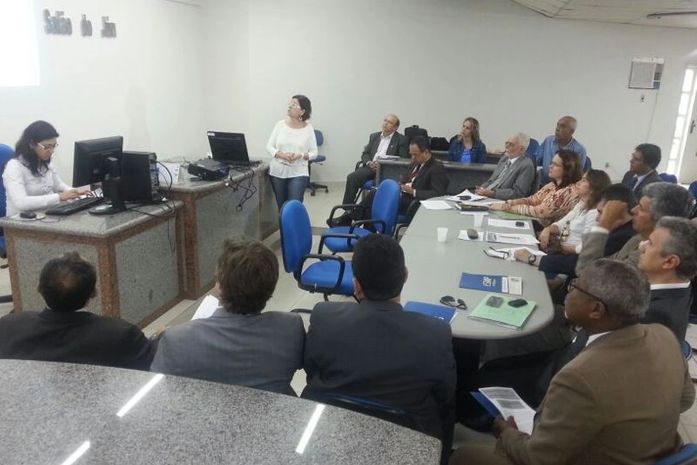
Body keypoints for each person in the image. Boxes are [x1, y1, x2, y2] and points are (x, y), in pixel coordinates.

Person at [451, 259, 695, 465]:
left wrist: (507, 433)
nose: (568, 292)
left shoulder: (579, 378)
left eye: (575, 287)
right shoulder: (664, 336)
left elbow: (537, 458)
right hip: (653, 451)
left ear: (596, 310)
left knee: (464, 456)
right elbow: (686, 399)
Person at [303, 234, 456, 457]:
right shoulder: (436, 334)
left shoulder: (323, 317)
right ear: (405, 276)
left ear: (356, 285)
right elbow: (445, 396)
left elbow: (311, 371)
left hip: (329, 436)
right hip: (408, 443)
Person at [151, 239, 304, 395]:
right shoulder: (291, 328)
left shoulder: (176, 339)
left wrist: (167, 337)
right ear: (272, 286)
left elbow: (158, 394)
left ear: (219, 288)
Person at [0, 252, 153, 370]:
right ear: (93, 293)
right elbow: (154, 365)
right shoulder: (121, 334)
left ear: (39, 288)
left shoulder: (8, 326)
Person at [576, 182, 694, 274]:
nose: (633, 210)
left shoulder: (651, 255)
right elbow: (601, 265)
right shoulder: (638, 239)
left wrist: (603, 225)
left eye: (641, 208)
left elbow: (587, 272)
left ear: (659, 219)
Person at [329, 135, 447, 226]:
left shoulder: (436, 167)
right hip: (404, 194)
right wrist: (402, 181)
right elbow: (408, 177)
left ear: (426, 152)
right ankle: (360, 225)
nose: (412, 158)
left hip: (413, 202)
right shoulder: (416, 162)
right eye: (411, 154)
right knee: (376, 192)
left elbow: (438, 193)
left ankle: (351, 219)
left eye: (415, 155)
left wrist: (414, 191)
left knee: (376, 196)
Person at [513, 170, 610, 272]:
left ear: (594, 188)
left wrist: (561, 246)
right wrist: (548, 229)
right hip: (557, 250)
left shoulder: (594, 214)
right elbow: (561, 225)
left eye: (584, 181)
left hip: (567, 260)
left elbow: (584, 248)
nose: (578, 183)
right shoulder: (581, 205)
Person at [2, 120, 81, 216]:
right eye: (47, 147)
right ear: (31, 144)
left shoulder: (45, 162)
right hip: (21, 221)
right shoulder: (14, 166)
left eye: (53, 146)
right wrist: (59, 197)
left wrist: (75, 192)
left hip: (48, 215)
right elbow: (21, 202)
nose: (51, 151)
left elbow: (58, 185)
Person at [637, 216, 697, 341]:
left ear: (670, 262)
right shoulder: (683, 286)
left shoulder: (652, 315)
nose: (642, 247)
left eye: (650, 243)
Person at [490, 149, 582, 227]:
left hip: (548, 235)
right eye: (551, 163)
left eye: (556, 165)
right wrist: (512, 202)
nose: (550, 166)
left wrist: (506, 208)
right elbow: (532, 200)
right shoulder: (552, 185)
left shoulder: (569, 191)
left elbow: (539, 211)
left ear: (567, 170)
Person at [338, 114, 408, 205]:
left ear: (396, 127)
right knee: (352, 177)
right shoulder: (374, 136)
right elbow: (365, 153)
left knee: (376, 185)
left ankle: (366, 210)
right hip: (371, 167)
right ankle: (348, 208)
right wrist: (369, 162)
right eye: (385, 120)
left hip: (387, 170)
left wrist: (384, 165)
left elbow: (402, 159)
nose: (386, 123)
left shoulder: (401, 140)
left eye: (390, 122)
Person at [265, 95, 318, 209]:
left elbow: (314, 153)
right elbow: (269, 146)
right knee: (282, 207)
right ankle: (283, 222)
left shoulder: (308, 129)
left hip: (299, 171)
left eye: (294, 104)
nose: (289, 106)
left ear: (302, 111)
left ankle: (293, 221)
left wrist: (301, 155)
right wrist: (281, 154)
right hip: (278, 171)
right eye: (290, 103)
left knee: (294, 206)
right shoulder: (280, 125)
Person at [474, 133, 535, 200]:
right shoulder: (504, 159)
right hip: (486, 196)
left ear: (522, 149)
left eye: (511, 144)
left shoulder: (526, 165)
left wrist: (492, 194)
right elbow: (491, 180)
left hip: (501, 200)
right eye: (506, 143)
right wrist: (481, 189)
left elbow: (518, 193)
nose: (506, 146)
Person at [536, 116, 587, 185]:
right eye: (557, 125)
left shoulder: (579, 150)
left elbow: (576, 175)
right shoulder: (548, 140)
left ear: (571, 131)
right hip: (543, 183)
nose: (557, 128)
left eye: (563, 126)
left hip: (563, 186)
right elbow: (537, 160)